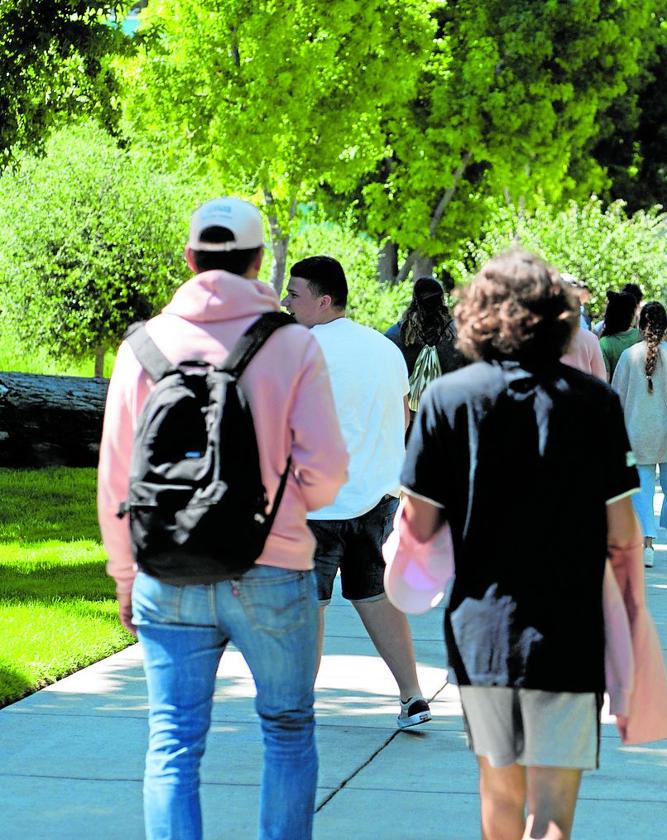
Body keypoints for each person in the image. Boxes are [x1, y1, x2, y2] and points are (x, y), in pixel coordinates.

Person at [98, 197, 349, 839]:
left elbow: (116, 477)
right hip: (274, 568)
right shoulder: (292, 345)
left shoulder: (143, 347)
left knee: (174, 744)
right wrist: (282, 507)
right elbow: (325, 475)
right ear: (259, 260)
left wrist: (126, 575)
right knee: (288, 731)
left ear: (189, 259)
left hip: (168, 571)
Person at [398, 249, 652, 840]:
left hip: (482, 627)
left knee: (500, 792)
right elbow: (623, 531)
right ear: (559, 318)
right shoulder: (594, 402)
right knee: (554, 811)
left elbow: (420, 523)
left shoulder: (448, 399)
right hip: (570, 626)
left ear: (478, 315)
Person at [283, 256, 432, 730]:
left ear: (323, 301)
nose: (286, 302)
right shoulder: (384, 347)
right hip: (378, 497)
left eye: (295, 294)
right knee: (373, 596)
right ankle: (412, 697)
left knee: (308, 605)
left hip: (316, 502)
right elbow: (404, 416)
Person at [611, 302, 667, 567]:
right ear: (666, 327)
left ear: (641, 326)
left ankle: (645, 545)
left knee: (641, 491)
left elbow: (615, 398)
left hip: (636, 435)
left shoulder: (629, 356)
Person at [385, 275, 467, 392]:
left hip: (407, 408)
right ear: (442, 300)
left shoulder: (394, 336)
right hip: (447, 405)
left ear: (414, 300)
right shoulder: (459, 335)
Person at [597, 290, 640, 380]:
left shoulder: (605, 342)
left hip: (616, 392)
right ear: (631, 314)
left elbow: (605, 377)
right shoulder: (641, 336)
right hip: (639, 392)